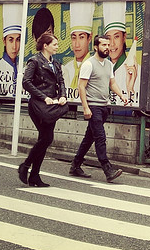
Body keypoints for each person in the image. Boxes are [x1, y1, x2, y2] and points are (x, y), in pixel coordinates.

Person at [69, 33, 129, 181]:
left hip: (103, 107)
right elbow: (81, 87)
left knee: (89, 138)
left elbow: (112, 83)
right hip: (93, 106)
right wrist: (86, 107)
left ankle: (75, 165)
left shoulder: (109, 64)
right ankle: (107, 169)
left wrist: (122, 96)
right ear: (96, 47)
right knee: (100, 137)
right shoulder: (89, 64)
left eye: (108, 45)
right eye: (103, 45)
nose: (107, 47)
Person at [18, 32, 67, 187]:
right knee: (46, 138)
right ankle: (26, 166)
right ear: (45, 46)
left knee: (45, 139)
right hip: (38, 105)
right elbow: (26, 82)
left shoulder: (56, 64)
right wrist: (43, 96)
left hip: (52, 105)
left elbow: (61, 82)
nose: (57, 47)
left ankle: (33, 175)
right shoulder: (35, 61)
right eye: (54, 44)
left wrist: (63, 96)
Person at [0, 6, 23, 97]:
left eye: (18, 40)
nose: (14, 46)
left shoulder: (25, 68)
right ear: (4, 41)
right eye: (11, 40)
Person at [103, 17, 138, 104]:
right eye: (108, 38)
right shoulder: (101, 67)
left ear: (124, 37)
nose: (112, 44)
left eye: (116, 37)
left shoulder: (136, 71)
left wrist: (130, 88)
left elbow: (136, 105)